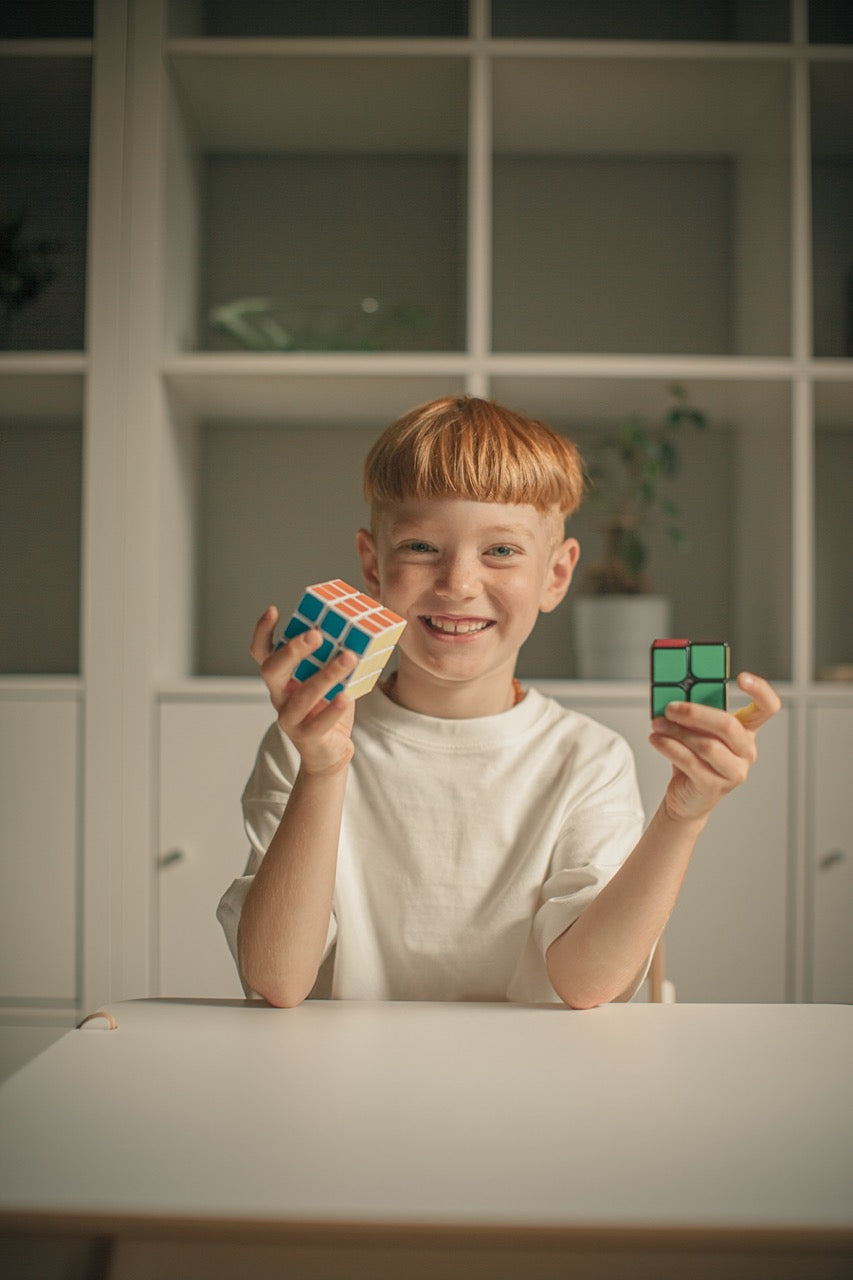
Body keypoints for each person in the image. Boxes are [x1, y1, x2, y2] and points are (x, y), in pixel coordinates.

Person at [217, 395, 780, 1008]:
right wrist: (323, 769)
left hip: (533, 1087)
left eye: (502, 550)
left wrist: (683, 814)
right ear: (372, 568)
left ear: (556, 576)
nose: (458, 583)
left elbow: (588, 984)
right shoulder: (305, 743)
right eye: (421, 547)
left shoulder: (587, 757)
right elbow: (274, 980)